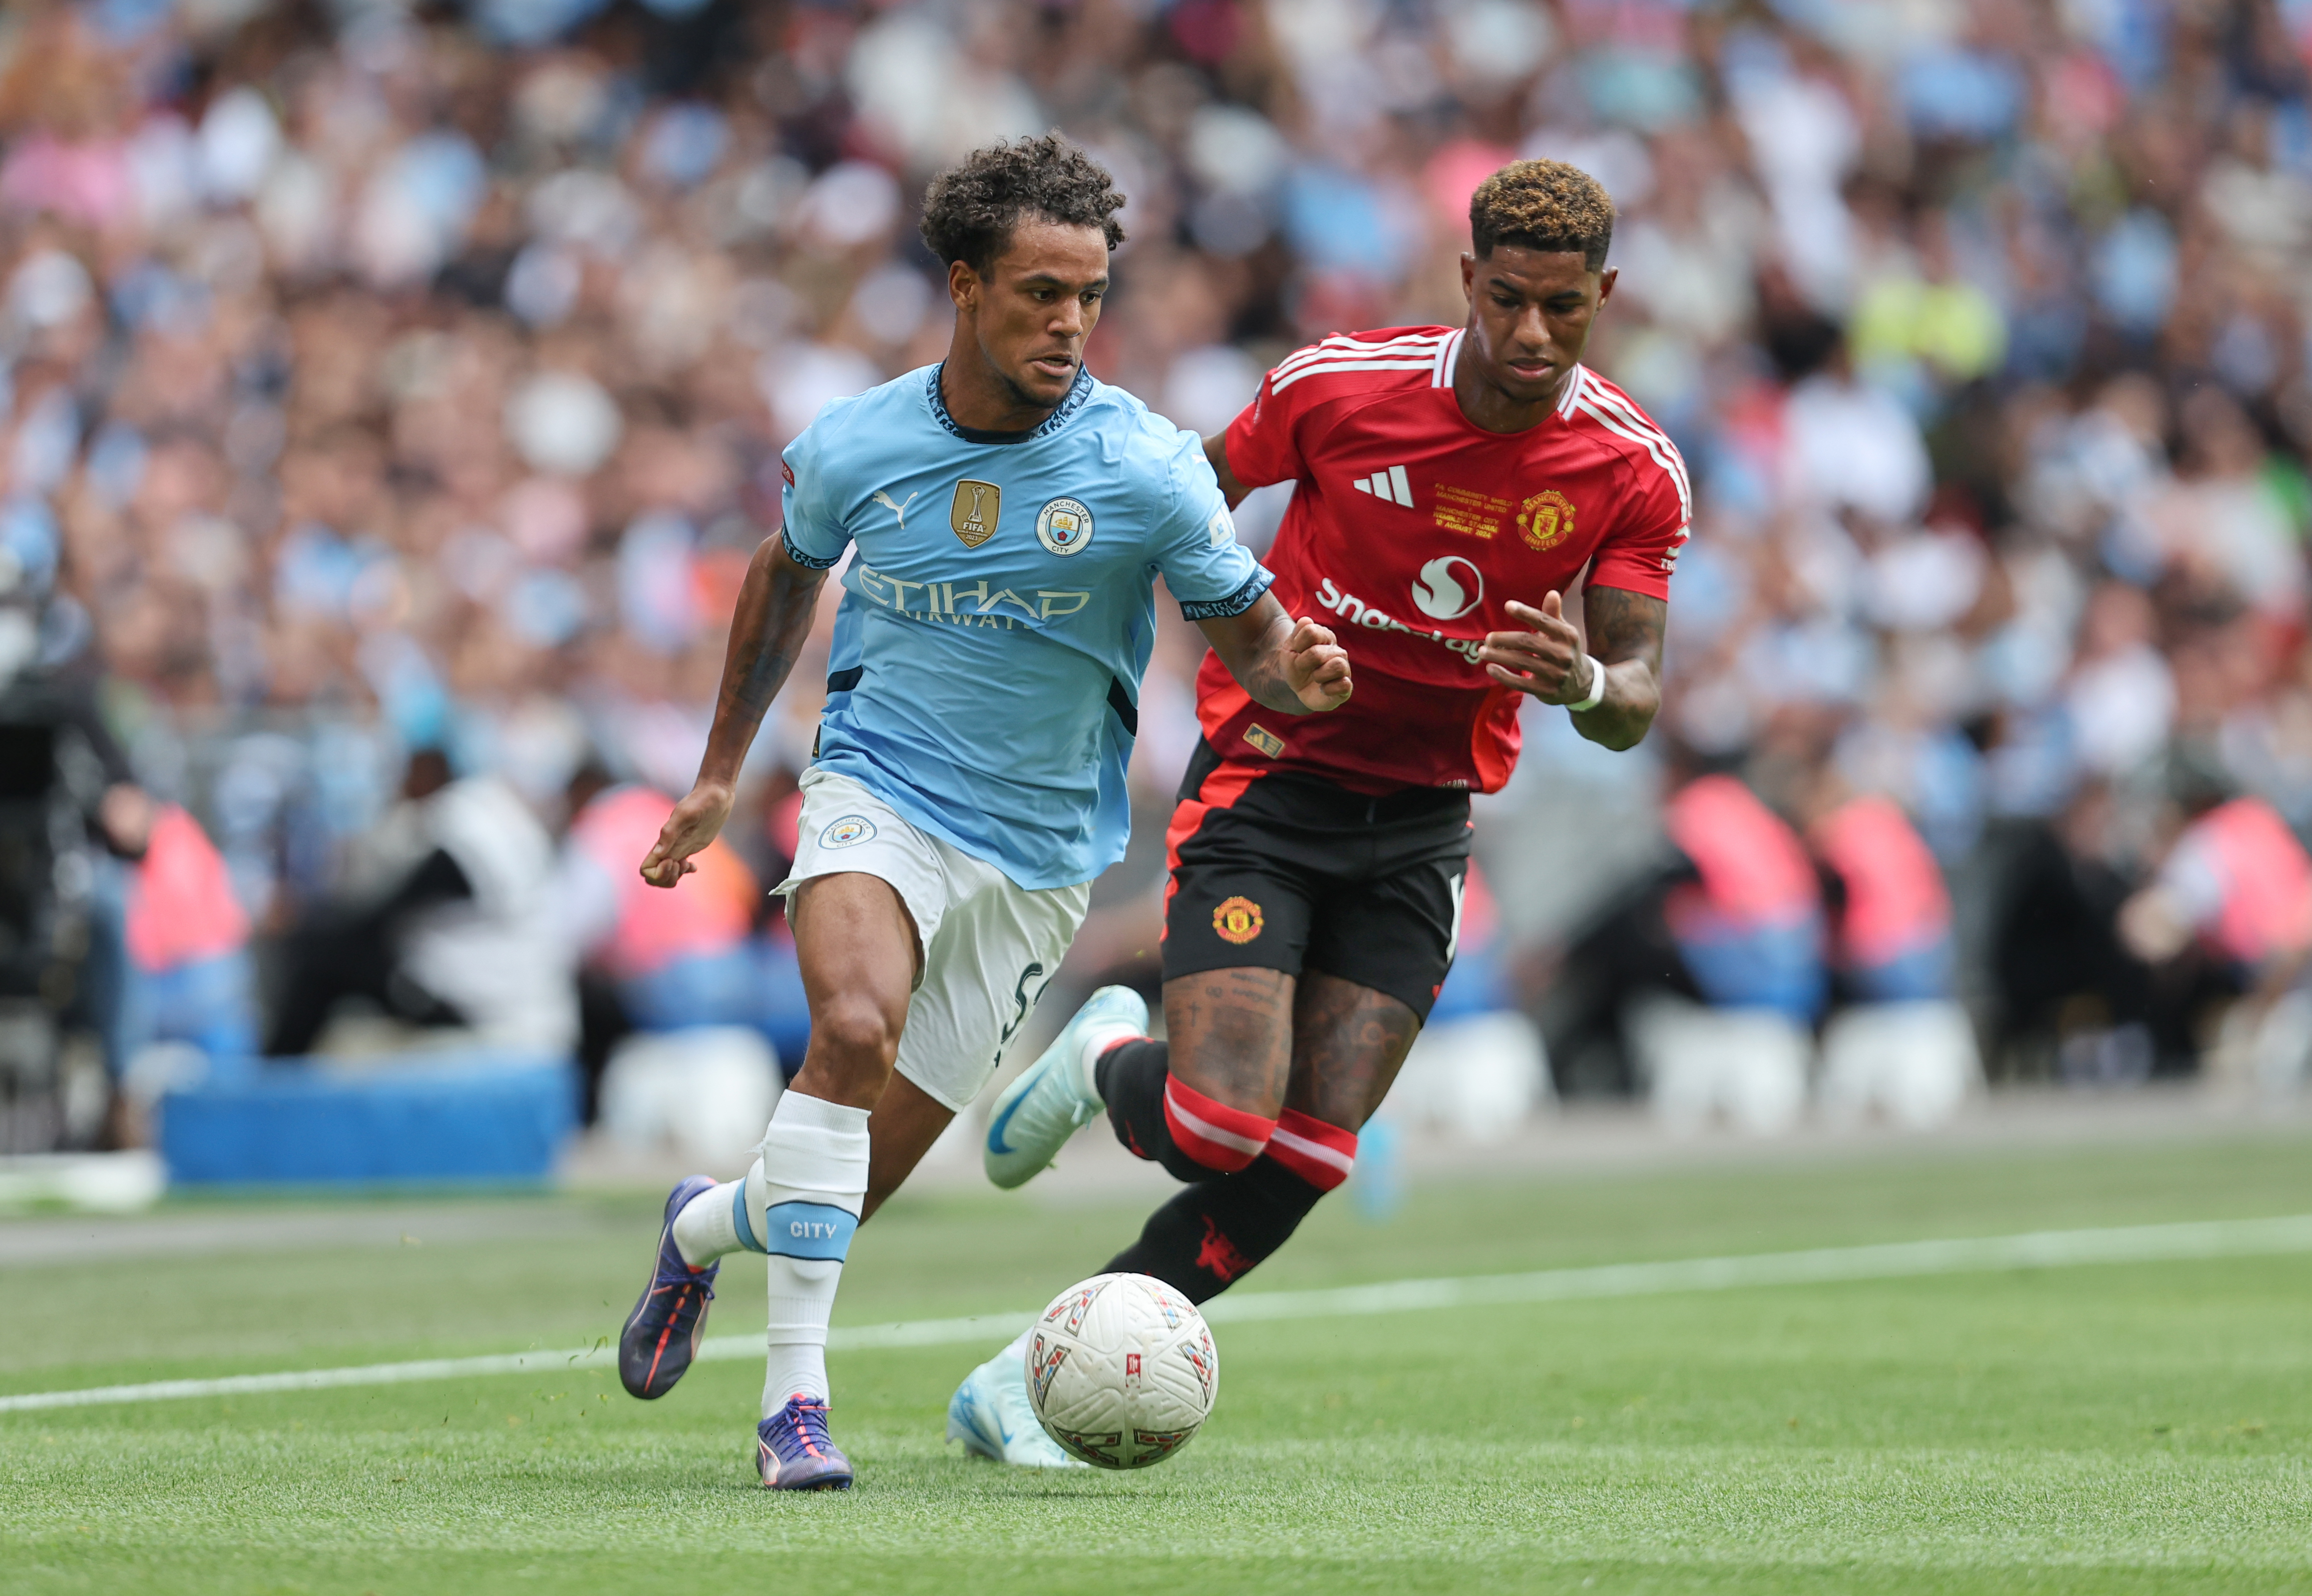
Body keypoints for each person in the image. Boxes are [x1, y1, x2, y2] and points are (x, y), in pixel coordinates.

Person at [615, 135, 1353, 1491]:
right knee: (848, 1026)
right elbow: (783, 577)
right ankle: (793, 1412)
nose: (1069, 322)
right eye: (1037, 293)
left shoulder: (1143, 466)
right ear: (961, 285)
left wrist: (1292, 671)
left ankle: (705, 1228)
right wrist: (723, 769)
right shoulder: (858, 443)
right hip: (874, 787)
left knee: (832, 1193)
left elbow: (1250, 633)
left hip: (1035, 856)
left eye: (1088, 294)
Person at [951, 158, 1684, 1458]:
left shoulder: (1629, 469)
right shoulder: (1339, 386)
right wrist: (1256, 640)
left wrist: (1579, 675)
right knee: (1217, 1123)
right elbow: (1185, 502)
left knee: (1304, 1155)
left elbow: (1632, 695)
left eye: (1560, 310)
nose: (1528, 334)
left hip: (1423, 822)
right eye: (1505, 299)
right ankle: (1101, 1060)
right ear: (1466, 279)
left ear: (1602, 296)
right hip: (1272, 787)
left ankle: (1028, 1371)